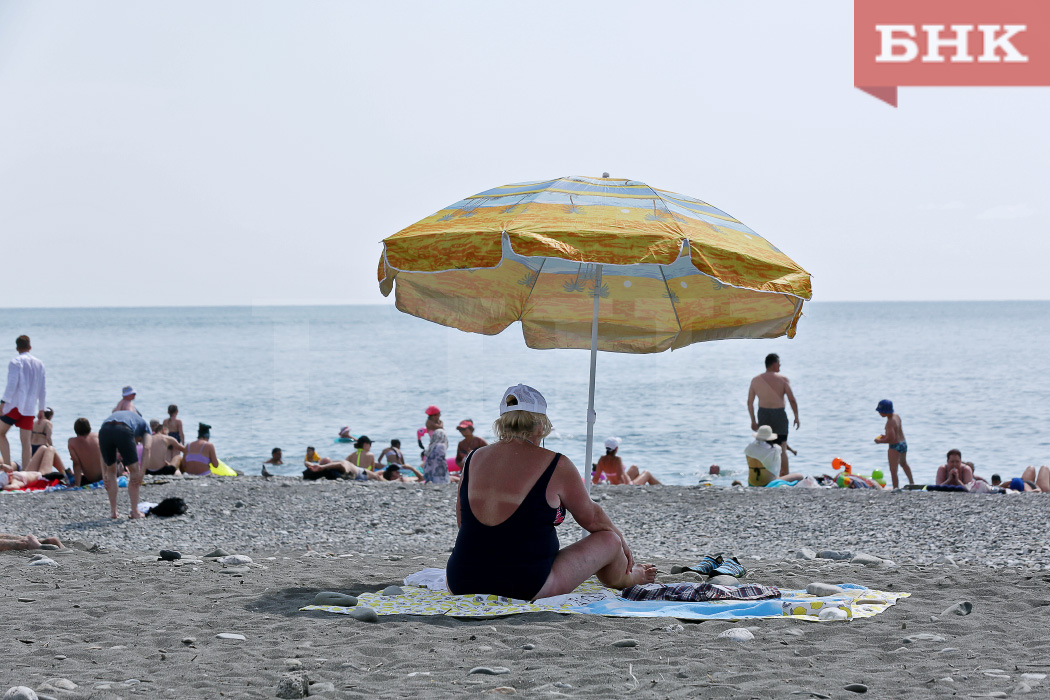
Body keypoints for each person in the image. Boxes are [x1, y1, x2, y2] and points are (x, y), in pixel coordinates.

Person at [446, 384, 657, 601]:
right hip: (526, 585)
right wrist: (622, 541)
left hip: (461, 580)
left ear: (503, 423)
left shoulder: (473, 459)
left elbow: (463, 522)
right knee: (609, 540)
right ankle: (632, 577)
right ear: (540, 426)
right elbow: (592, 519)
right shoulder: (556, 464)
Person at [747, 353, 799, 477]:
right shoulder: (783, 379)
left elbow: (750, 402)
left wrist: (753, 420)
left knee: (765, 447)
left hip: (763, 414)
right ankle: (785, 476)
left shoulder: (755, 380)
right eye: (779, 363)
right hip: (779, 415)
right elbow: (792, 399)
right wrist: (796, 416)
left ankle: (764, 476)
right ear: (774, 364)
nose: (780, 365)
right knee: (782, 447)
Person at [0, 335, 46, 471]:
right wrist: (42, 408)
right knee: (26, 442)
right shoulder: (39, 363)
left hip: (14, 406)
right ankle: (26, 473)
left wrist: (3, 402)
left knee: (0, 433)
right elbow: (43, 388)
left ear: (17, 348)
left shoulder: (16, 361)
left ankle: (7, 466)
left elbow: (12, 384)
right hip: (30, 408)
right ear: (30, 347)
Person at [98, 410, 153, 519]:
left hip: (104, 429)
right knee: (134, 472)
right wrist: (142, 472)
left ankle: (113, 512)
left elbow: (101, 451)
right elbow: (147, 448)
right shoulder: (145, 425)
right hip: (123, 430)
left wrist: (104, 473)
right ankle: (135, 512)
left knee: (111, 471)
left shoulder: (122, 417)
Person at [873, 399, 914, 489]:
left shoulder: (889, 422)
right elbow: (895, 433)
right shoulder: (897, 416)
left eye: (880, 411)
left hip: (895, 447)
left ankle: (896, 487)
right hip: (903, 443)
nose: (879, 413)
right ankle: (912, 483)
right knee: (904, 463)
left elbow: (891, 438)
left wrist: (879, 441)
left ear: (885, 411)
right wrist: (886, 436)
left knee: (893, 470)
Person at [592, 437, 662, 485]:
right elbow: (619, 478)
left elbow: (596, 478)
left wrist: (591, 484)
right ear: (616, 449)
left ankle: (640, 485)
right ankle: (662, 487)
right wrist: (626, 487)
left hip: (614, 483)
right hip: (626, 484)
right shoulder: (617, 459)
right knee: (647, 473)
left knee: (634, 468)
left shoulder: (602, 459)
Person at [67, 417, 104, 487]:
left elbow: (76, 464)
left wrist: (77, 485)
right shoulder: (98, 435)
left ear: (75, 429)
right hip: (106, 475)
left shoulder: (72, 442)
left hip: (91, 478)